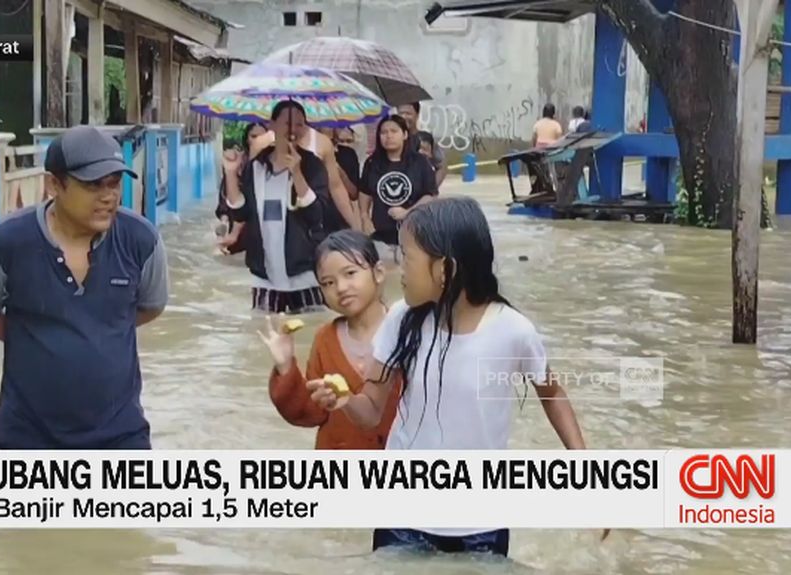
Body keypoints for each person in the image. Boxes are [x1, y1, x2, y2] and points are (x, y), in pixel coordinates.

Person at [307, 197, 605, 556]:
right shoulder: (401, 320)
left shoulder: (512, 331)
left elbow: (552, 394)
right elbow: (371, 410)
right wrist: (344, 401)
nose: (400, 268)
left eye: (407, 257)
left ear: (444, 269)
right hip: (402, 515)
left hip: (481, 521)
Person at [0, 125, 169, 450]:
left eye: (114, 183)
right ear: (54, 185)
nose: (108, 196)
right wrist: (37, 339)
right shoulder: (6, 242)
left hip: (121, 436)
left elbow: (152, 305)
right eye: (92, 184)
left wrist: (97, 331)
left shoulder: (141, 241)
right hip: (27, 438)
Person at [261, 230, 401, 449]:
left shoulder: (405, 330)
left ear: (379, 272)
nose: (341, 288)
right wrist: (285, 367)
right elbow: (311, 412)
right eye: (328, 283)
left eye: (350, 273)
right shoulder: (325, 339)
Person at [222, 101, 330, 315]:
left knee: (310, 328)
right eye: (287, 123)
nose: (293, 129)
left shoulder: (313, 165)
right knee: (263, 328)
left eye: (300, 124)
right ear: (271, 125)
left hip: (303, 273)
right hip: (264, 275)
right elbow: (242, 213)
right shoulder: (256, 166)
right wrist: (231, 173)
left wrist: (297, 172)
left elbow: (316, 215)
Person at [358, 115, 437, 267]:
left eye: (394, 131)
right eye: (384, 132)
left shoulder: (419, 162)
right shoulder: (372, 163)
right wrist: (364, 217)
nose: (388, 136)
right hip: (380, 236)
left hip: (414, 235)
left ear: (405, 134)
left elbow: (431, 195)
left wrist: (407, 212)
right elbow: (365, 192)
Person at [251, 123, 359, 232]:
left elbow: (336, 186)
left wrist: (355, 226)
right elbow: (254, 185)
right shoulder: (262, 142)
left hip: (313, 214)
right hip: (275, 210)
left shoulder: (321, 143)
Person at [215, 122, 268, 255]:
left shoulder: (273, 164)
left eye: (262, 136)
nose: (258, 140)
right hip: (239, 222)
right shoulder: (238, 162)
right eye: (253, 136)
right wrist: (225, 221)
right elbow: (226, 194)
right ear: (247, 138)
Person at [396, 102, 447, 187]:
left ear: (417, 115)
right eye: (401, 113)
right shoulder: (391, 139)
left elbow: (442, 166)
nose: (404, 117)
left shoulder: (425, 138)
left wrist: (432, 188)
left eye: (408, 113)